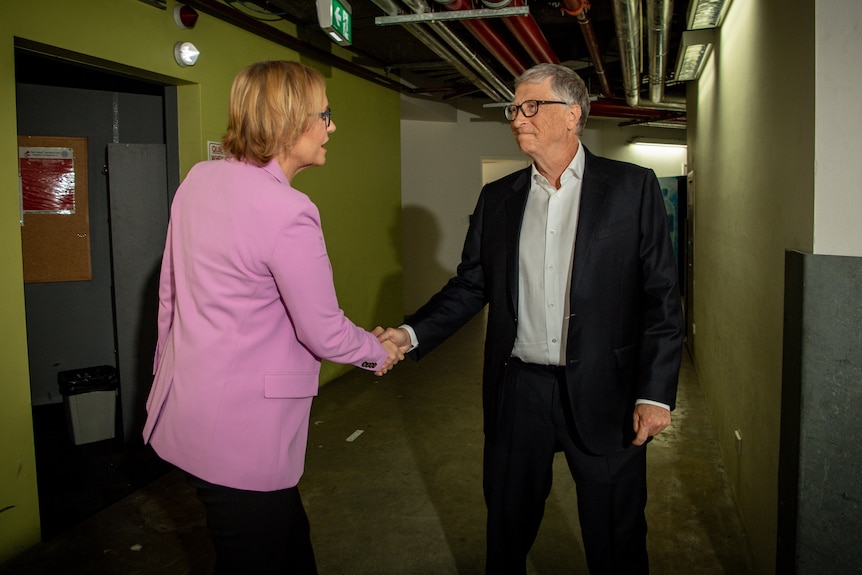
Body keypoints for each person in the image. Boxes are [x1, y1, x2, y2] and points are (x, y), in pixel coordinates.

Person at [379, 63, 683, 574]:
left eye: (529, 106)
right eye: (513, 109)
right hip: (518, 390)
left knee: (617, 536)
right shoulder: (498, 199)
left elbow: (661, 297)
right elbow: (472, 285)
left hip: (607, 391)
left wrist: (654, 393)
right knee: (506, 528)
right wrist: (410, 334)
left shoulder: (632, 189)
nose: (516, 119)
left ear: (572, 115)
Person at [142, 60, 403, 574]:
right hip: (242, 439)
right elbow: (323, 331)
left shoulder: (199, 179)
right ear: (287, 123)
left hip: (191, 415)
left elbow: (168, 297)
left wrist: (163, 380)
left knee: (283, 548)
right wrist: (380, 350)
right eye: (323, 114)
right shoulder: (290, 212)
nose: (332, 127)